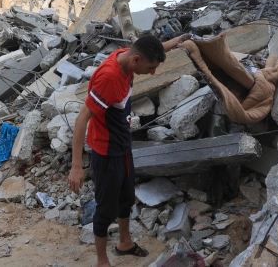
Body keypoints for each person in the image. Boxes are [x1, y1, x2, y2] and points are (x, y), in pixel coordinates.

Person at [68, 34, 191, 267]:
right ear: (135, 61)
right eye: (151, 68)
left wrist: (175, 42)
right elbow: (81, 120)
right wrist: (76, 167)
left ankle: (124, 242)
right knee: (105, 208)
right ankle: (102, 260)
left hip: (123, 145)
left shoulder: (128, 57)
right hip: (105, 151)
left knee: (126, 198)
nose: (153, 72)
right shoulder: (109, 77)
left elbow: (149, 49)